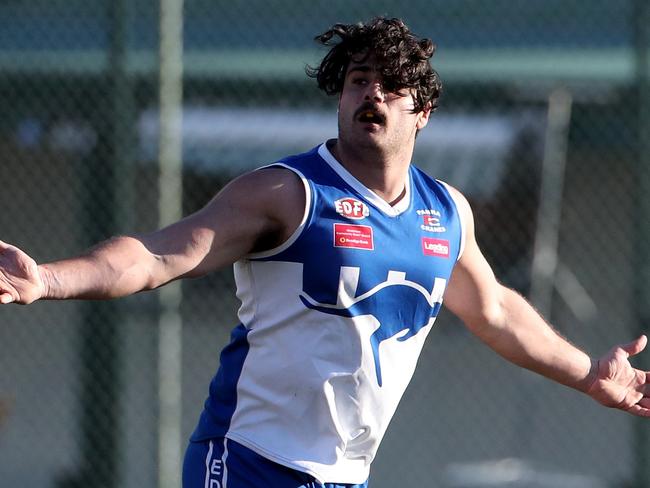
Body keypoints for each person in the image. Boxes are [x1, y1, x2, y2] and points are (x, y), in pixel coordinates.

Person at [1, 17, 648, 488]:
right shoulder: (287, 192)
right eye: (358, 81)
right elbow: (154, 256)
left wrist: (590, 373)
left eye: (391, 85)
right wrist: (47, 280)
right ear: (339, 98)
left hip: (345, 478)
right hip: (248, 463)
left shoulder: (445, 212)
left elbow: (497, 312)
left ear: (422, 111)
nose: (372, 93)